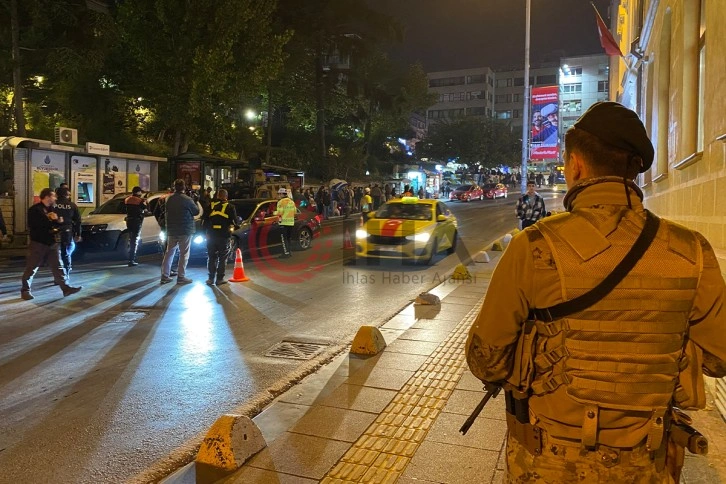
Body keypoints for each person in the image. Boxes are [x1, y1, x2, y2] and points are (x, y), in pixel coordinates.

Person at [465, 101, 726, 483]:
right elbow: (719, 359)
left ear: (576, 165)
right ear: (635, 171)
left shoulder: (533, 247)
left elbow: (485, 360)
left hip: (547, 459)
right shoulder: (692, 250)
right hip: (646, 460)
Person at [20, 188, 81, 300]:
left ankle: (66, 288)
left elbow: (55, 225)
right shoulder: (35, 209)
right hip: (39, 243)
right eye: (53, 196)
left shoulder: (52, 209)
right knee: (32, 267)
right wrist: (50, 220)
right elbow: (35, 225)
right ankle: (25, 290)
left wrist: (58, 222)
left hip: (52, 243)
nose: (55, 199)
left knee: (58, 266)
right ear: (47, 197)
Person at [160, 179, 199, 284]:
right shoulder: (187, 199)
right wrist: (195, 200)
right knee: (184, 254)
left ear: (174, 187)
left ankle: (165, 275)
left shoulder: (169, 199)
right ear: (184, 187)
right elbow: (196, 212)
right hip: (185, 229)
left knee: (169, 253)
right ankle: (181, 277)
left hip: (172, 230)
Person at [202, 188, 238, 285]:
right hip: (224, 236)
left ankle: (210, 278)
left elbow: (204, 220)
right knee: (222, 257)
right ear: (226, 197)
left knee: (211, 257)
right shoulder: (230, 207)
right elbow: (236, 222)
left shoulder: (211, 205)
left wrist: (206, 232)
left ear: (217, 196)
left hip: (211, 235)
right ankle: (219, 279)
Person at [54, 186, 82, 278]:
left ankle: (58, 274)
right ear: (67, 195)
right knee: (66, 252)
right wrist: (78, 234)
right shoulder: (72, 205)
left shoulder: (53, 205)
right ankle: (66, 270)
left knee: (56, 254)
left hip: (54, 231)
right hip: (67, 231)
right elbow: (78, 221)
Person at [124, 187, 147, 266]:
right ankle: (132, 260)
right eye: (140, 192)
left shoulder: (127, 199)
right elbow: (145, 208)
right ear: (138, 192)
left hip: (129, 221)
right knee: (135, 240)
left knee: (131, 239)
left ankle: (130, 258)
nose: (141, 194)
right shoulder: (139, 200)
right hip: (136, 221)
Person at [275, 187, 297, 258]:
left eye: (279, 194)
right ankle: (289, 252)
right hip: (291, 223)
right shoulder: (291, 201)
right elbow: (295, 211)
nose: (278, 195)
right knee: (288, 238)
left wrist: (273, 212)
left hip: (284, 223)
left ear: (282, 194)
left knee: (284, 239)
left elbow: (280, 212)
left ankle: (286, 253)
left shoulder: (280, 202)